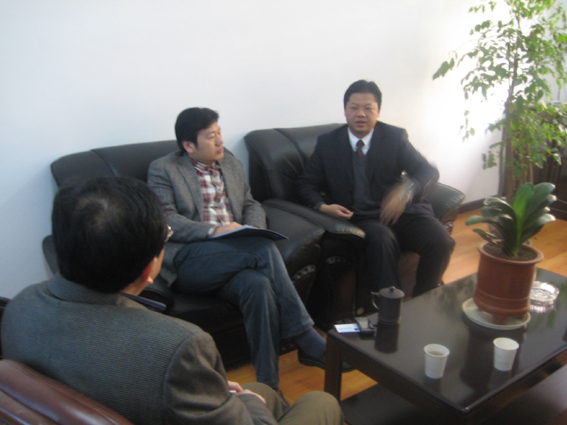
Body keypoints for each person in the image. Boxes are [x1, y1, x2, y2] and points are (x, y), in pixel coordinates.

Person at [1, 176, 343, 425]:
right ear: (149, 268)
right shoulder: (177, 346)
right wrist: (249, 404)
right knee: (320, 401)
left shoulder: (19, 308)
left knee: (264, 393)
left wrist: (216, 393)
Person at [147, 107, 351, 393]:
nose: (220, 141)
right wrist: (214, 230)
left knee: (258, 287)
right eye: (211, 137)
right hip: (191, 260)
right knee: (261, 247)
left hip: (235, 255)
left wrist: (251, 229)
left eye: (219, 133)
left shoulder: (230, 163)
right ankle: (306, 336)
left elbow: (250, 203)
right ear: (189, 146)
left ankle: (269, 387)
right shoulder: (164, 169)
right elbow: (166, 219)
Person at [296, 80, 455, 297]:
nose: (360, 114)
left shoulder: (394, 138)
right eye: (354, 108)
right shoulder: (327, 143)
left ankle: (425, 297)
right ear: (345, 111)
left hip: (404, 211)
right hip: (363, 216)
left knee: (440, 240)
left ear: (378, 111)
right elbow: (306, 183)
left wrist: (406, 191)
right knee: (382, 241)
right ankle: (389, 305)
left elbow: (427, 171)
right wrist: (323, 207)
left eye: (368, 108)